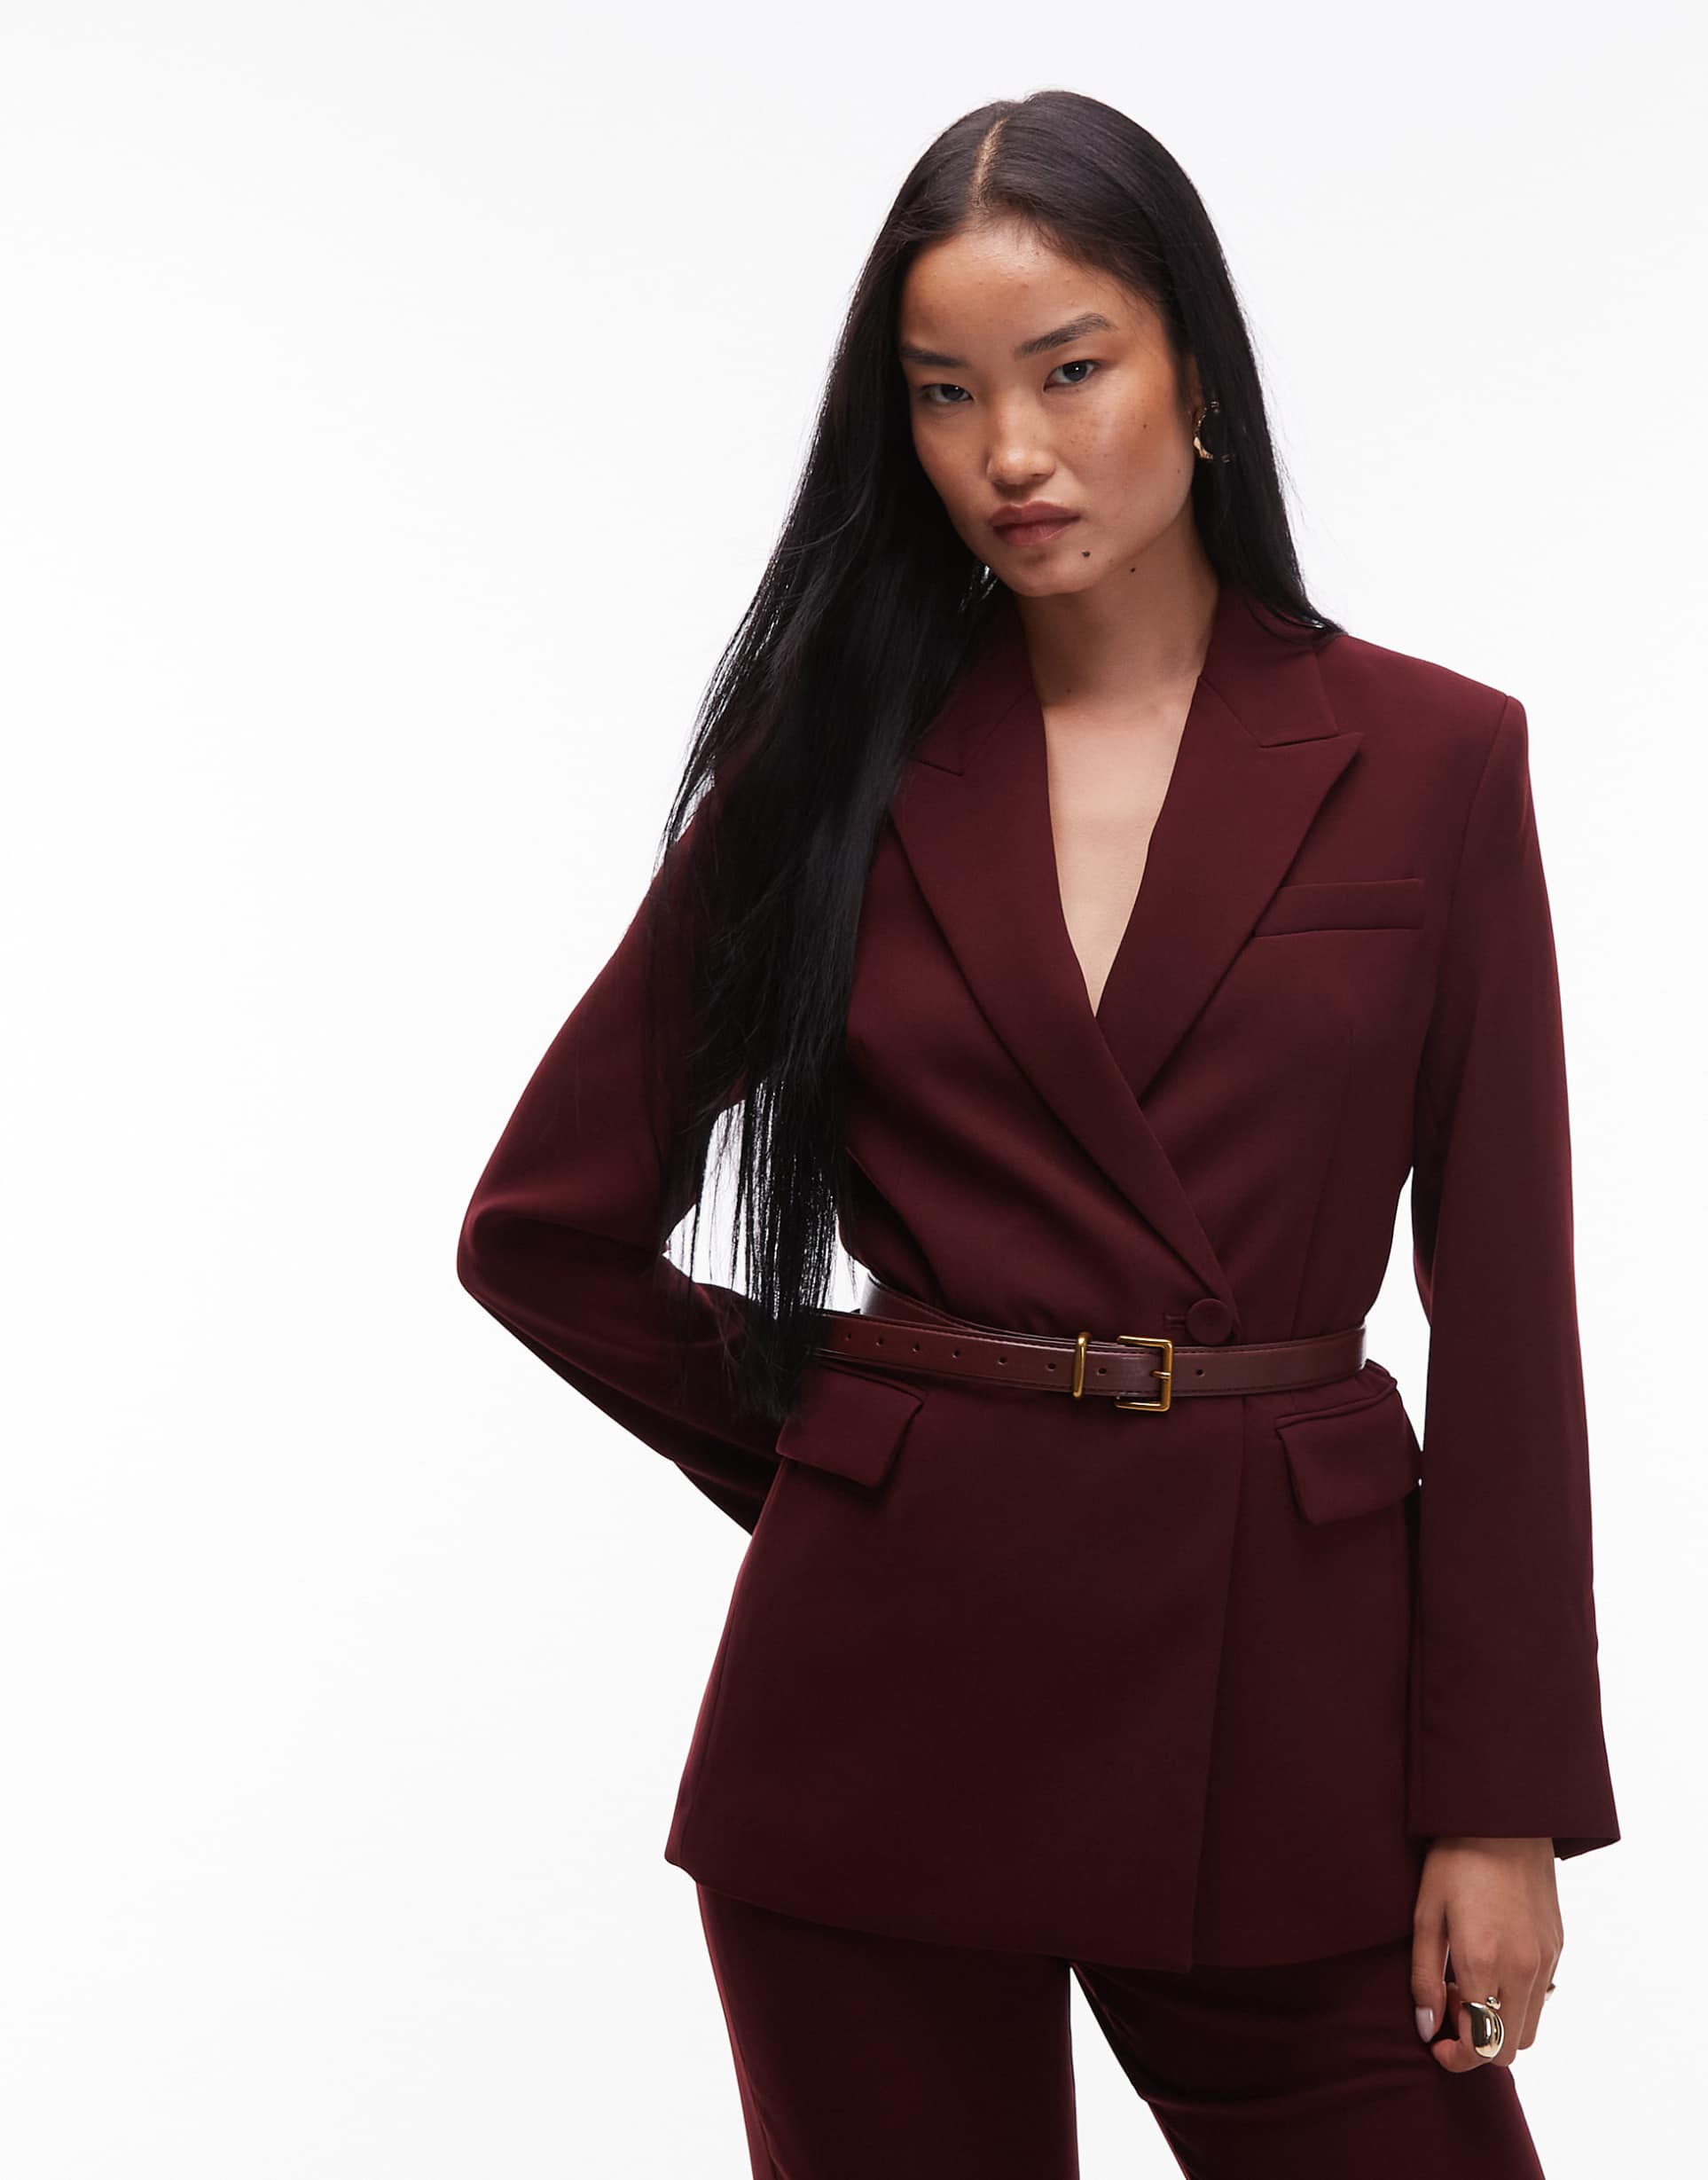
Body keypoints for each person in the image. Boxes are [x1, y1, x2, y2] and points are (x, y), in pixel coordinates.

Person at [456, 88, 1618, 2178]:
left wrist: (1503, 1794)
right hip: (883, 1709)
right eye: (945, 393)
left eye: (1071, 369)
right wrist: (874, 1460)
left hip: (1290, 1703)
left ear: (1199, 376)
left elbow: (1509, 1309)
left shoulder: (1436, 758)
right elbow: (543, 1225)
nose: (1010, 448)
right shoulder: (831, 769)